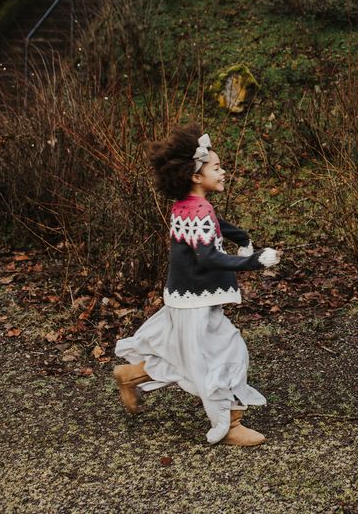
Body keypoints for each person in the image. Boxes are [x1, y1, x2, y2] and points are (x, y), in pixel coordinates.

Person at [113, 125, 280, 445]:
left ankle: (130, 375)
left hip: (186, 298)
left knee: (183, 356)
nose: (224, 171)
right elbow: (207, 256)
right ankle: (229, 424)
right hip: (193, 302)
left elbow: (215, 225)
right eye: (216, 167)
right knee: (224, 353)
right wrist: (253, 261)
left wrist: (240, 237)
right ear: (196, 175)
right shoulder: (196, 210)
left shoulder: (188, 206)